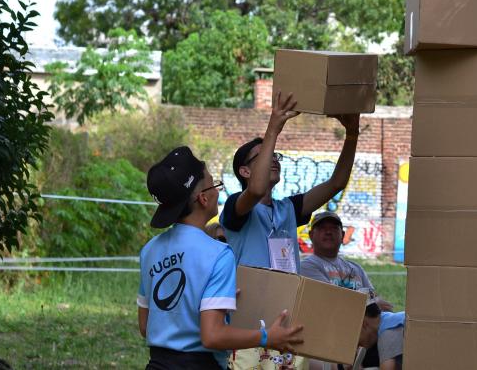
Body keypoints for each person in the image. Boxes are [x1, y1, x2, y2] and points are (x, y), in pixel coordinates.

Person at [221, 91, 361, 369]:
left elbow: (336, 183)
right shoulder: (236, 207)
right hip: (249, 325)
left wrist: (352, 135)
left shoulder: (288, 209)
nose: (273, 159)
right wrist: (274, 126)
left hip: (286, 321)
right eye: (263, 156)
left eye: (275, 155)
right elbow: (257, 190)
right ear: (245, 172)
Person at [137, 146, 304, 370]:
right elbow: (212, 336)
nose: (219, 191)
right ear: (203, 198)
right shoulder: (218, 253)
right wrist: (267, 337)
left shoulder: (150, 250)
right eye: (215, 184)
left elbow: (145, 325)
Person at [300, 211, 399, 370]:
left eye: (334, 228)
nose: (328, 231)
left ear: (343, 235)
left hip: (368, 335)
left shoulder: (355, 267)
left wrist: (366, 304)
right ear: (311, 235)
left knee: (398, 326)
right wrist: (367, 303)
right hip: (335, 336)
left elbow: (377, 304)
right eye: (322, 228)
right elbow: (334, 304)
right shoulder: (307, 266)